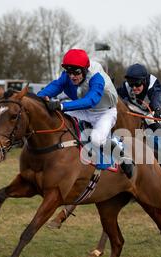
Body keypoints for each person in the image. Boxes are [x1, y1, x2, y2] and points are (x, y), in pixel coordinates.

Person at [37, 49, 134, 178]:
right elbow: (56, 86)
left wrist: (61, 105)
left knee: (96, 139)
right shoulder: (69, 75)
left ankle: (120, 151)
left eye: (76, 72)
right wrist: (37, 99)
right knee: (57, 119)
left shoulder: (97, 77)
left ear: (85, 70)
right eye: (69, 72)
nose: (72, 76)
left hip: (104, 112)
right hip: (83, 111)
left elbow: (91, 100)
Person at [117, 63, 161, 163]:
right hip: (141, 109)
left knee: (149, 119)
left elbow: (156, 97)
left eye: (137, 84)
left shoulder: (153, 84)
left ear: (144, 81)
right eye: (131, 84)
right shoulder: (126, 86)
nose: (134, 88)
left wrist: (157, 109)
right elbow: (116, 95)